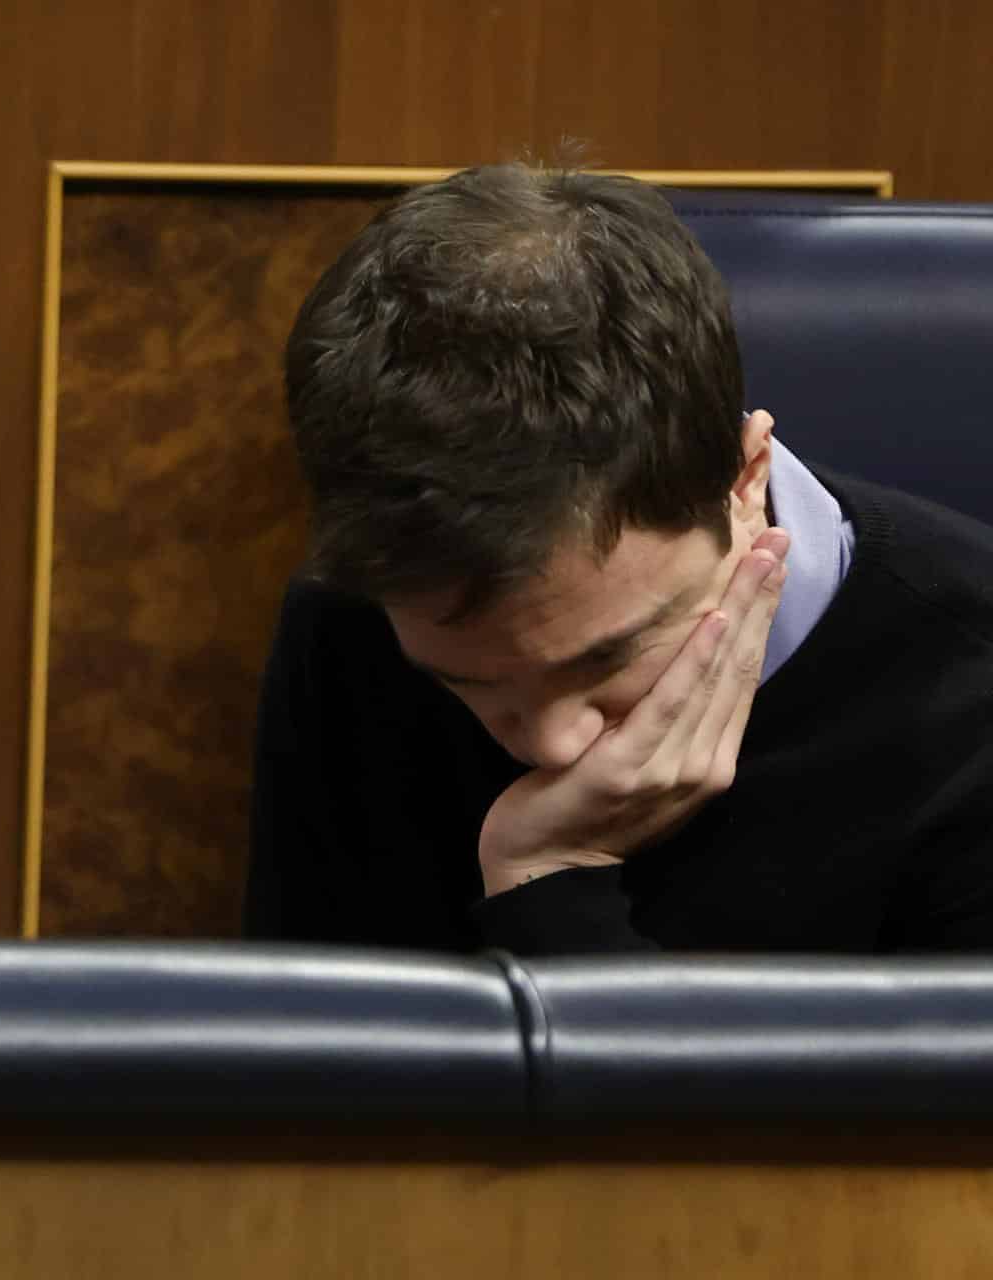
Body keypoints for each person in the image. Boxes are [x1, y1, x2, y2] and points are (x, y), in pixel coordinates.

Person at [247, 163, 993, 953]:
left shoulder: (969, 686)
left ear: (744, 481)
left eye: (606, 658)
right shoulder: (356, 616)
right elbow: (318, 1059)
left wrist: (553, 879)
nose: (555, 749)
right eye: (468, 685)